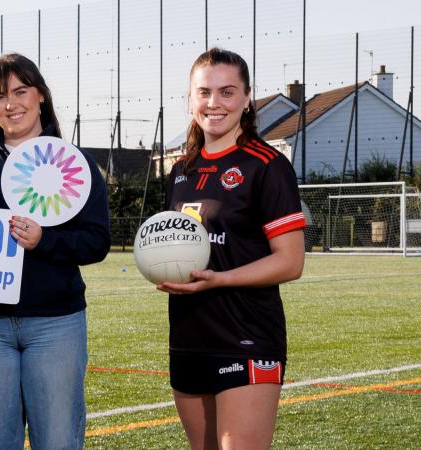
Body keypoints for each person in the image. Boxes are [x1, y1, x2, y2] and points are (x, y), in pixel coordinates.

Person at [0, 53, 110, 450]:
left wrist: (44, 240)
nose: (10, 104)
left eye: (20, 91)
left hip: (55, 322)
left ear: (41, 97)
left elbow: (97, 242)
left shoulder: (75, 163)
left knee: (58, 440)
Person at [158, 48, 306, 450]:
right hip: (189, 336)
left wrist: (220, 279)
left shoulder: (267, 166)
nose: (214, 103)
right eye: (204, 92)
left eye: (227, 92)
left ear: (246, 97)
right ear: (190, 98)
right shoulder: (180, 171)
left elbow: (291, 262)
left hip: (247, 338)